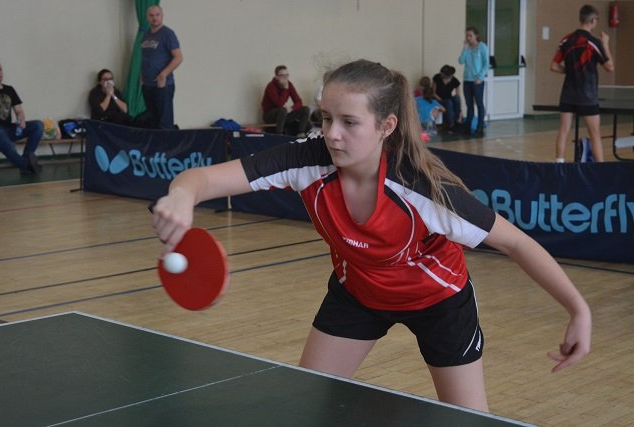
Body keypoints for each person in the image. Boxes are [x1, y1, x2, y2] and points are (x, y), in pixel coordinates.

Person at [150, 59, 591, 412]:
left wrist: (578, 310)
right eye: (326, 118)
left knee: (468, 420)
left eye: (349, 122)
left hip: (438, 301)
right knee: (308, 401)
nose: (332, 134)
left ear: (386, 126)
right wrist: (182, 196)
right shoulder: (307, 160)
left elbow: (516, 242)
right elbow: (202, 179)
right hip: (358, 292)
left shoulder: (421, 190)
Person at [550, 4, 614, 163]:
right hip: (587, 96)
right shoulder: (594, 42)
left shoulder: (566, 40)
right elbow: (610, 68)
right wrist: (605, 44)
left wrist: (570, 71)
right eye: (596, 20)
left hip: (568, 94)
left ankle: (559, 165)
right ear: (592, 20)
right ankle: (600, 169)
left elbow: (554, 66)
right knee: (595, 134)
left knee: (563, 131)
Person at [0, 59, 44, 175]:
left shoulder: (9, 89)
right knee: (7, 143)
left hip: (9, 129)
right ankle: (27, 165)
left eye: (0, 69)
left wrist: (21, 120)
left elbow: (19, 110)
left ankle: (26, 161)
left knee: (38, 125)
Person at [141, 5, 183, 129]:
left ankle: (167, 142)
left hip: (162, 86)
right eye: (151, 15)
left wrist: (163, 74)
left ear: (162, 16)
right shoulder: (145, 34)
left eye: (157, 15)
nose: (154, 18)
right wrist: (142, 76)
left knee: (164, 123)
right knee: (151, 121)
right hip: (147, 85)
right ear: (147, 18)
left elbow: (178, 57)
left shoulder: (167, 34)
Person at [261, 65, 310, 136]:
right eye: (282, 75)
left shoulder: (289, 84)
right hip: (269, 115)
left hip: (283, 113)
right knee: (283, 110)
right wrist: (285, 89)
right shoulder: (271, 86)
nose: (285, 78)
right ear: (276, 77)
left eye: (287, 75)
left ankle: (301, 133)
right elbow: (279, 104)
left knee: (305, 109)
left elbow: (299, 101)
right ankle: (279, 135)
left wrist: (292, 108)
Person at [458, 27, 489, 137]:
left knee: (479, 103)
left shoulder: (482, 47)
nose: (468, 38)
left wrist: (480, 77)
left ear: (476, 36)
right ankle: (467, 127)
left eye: (470, 35)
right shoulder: (467, 48)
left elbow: (486, 64)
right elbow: (461, 61)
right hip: (467, 80)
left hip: (477, 81)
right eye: (467, 35)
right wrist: (464, 48)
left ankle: (480, 127)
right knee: (469, 104)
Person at [432, 65, 462, 132]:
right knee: (448, 102)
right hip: (438, 99)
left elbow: (458, 94)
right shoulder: (437, 77)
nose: (441, 74)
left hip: (448, 98)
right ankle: (450, 123)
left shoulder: (455, 81)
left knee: (457, 98)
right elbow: (433, 93)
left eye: (443, 74)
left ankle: (457, 118)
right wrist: (441, 100)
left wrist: (460, 109)